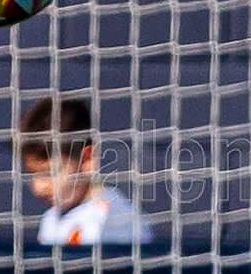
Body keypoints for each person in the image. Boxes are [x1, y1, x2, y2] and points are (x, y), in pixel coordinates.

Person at [19, 96, 153, 247]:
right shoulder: (51, 218)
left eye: (49, 173)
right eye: (32, 174)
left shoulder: (112, 220)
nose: (38, 188)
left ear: (87, 160)